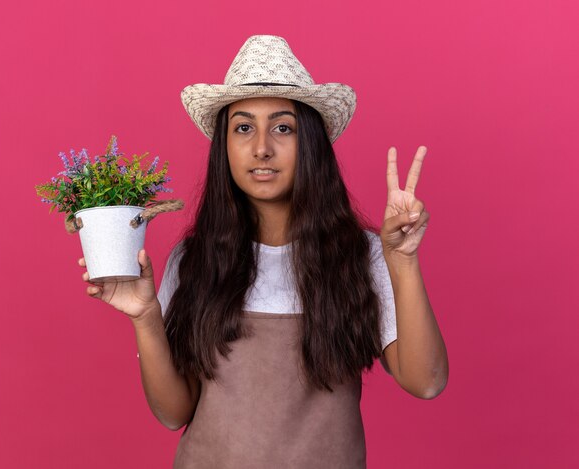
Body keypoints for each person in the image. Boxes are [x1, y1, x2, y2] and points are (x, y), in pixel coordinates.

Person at [78, 35, 448, 468]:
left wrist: (402, 261)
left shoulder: (364, 255)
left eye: (283, 127)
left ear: (311, 143)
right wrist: (145, 318)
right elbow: (174, 412)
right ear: (225, 146)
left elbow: (426, 381)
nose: (261, 148)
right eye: (243, 127)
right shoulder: (193, 258)